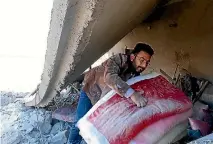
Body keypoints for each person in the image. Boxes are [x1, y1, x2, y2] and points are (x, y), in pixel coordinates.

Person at [67, 43, 154, 144]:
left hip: (104, 97)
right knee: (79, 121)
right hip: (90, 89)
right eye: (142, 60)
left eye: (147, 62)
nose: (144, 65)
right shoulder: (118, 59)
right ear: (132, 57)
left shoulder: (136, 72)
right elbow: (110, 78)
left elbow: (130, 86)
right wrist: (132, 94)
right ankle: (72, 142)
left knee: (96, 124)